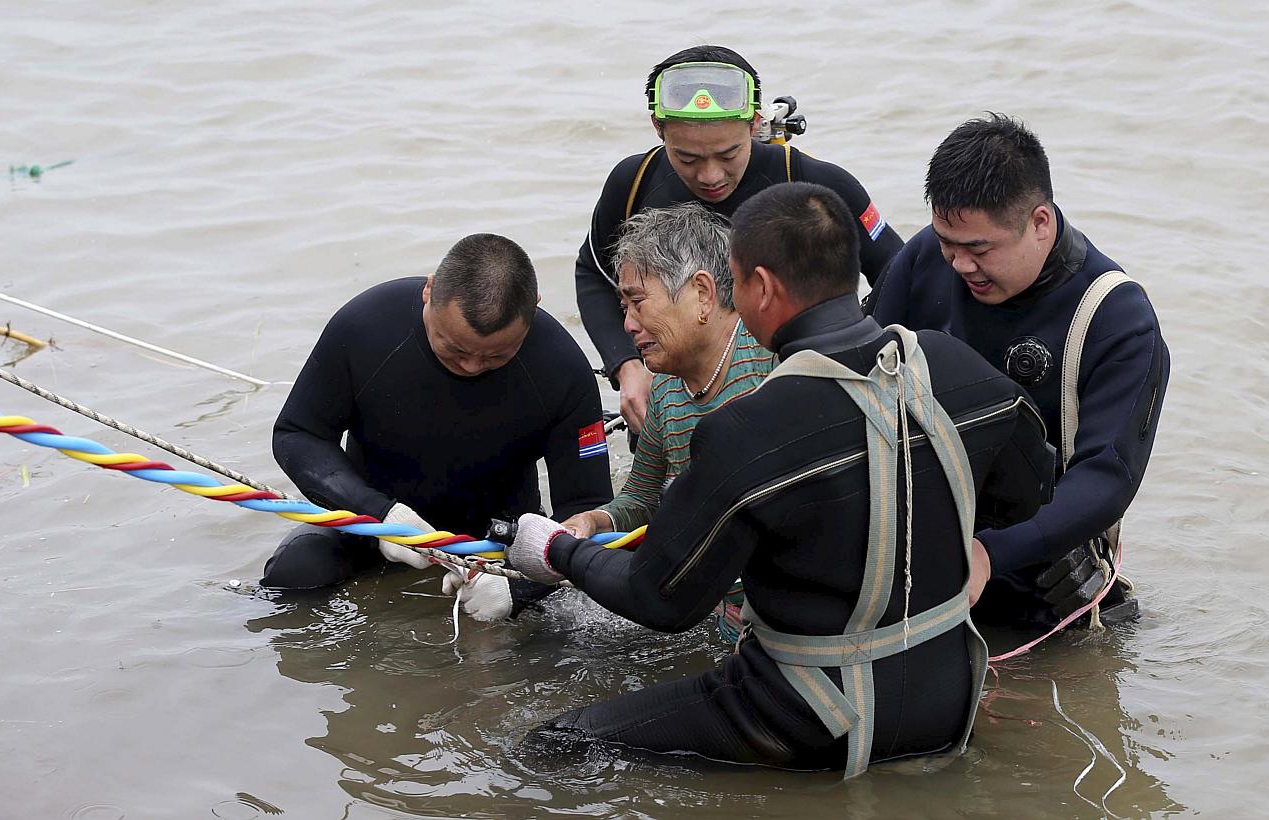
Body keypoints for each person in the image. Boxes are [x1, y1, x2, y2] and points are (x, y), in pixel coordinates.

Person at [505, 182, 1054, 777]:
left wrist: (557, 549)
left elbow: (658, 598)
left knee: (560, 741)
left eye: (737, 283)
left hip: (812, 717)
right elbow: (1030, 492)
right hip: (948, 701)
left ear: (760, 288)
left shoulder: (747, 427)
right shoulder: (958, 368)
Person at [868, 113, 1170, 628]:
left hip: (1039, 576)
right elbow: (860, 371)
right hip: (922, 546)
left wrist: (990, 554)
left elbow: (1107, 477)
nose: (960, 265)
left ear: (1040, 223)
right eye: (948, 242)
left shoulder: (1117, 318)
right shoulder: (926, 257)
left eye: (980, 249)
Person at [263, 234, 613, 621]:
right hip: (371, 524)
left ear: (533, 312)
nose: (472, 366)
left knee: (559, 618)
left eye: (497, 355)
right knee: (294, 575)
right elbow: (298, 434)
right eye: (455, 348)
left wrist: (519, 587)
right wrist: (379, 515)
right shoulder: (365, 326)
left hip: (497, 540)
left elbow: (586, 511)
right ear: (429, 292)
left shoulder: (562, 368)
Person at [576, 45, 904, 437]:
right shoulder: (633, 183)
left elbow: (901, 273)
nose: (710, 175)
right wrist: (626, 365)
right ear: (657, 128)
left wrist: (861, 363)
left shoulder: (818, 183)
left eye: (728, 153)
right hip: (676, 411)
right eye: (687, 158)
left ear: (754, 124)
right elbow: (593, 274)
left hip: (800, 402)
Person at [560, 202, 776, 642]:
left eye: (637, 302)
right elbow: (641, 500)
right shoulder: (664, 392)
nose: (627, 324)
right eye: (623, 306)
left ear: (702, 293)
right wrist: (593, 522)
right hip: (726, 620)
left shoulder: (773, 357)